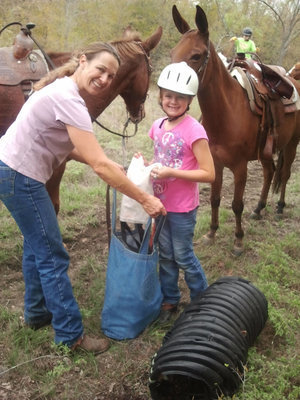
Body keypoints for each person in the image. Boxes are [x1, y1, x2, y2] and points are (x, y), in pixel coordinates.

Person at [0, 42, 166, 353]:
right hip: (21, 176)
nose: (104, 79)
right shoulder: (69, 99)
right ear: (82, 61)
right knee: (52, 254)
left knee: (36, 246)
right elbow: (101, 165)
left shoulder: (62, 87)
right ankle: (70, 336)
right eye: (100, 69)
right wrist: (144, 200)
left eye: (111, 75)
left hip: (11, 170)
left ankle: (37, 314)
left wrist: (96, 159)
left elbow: (67, 144)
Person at [140, 62, 215, 324]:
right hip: (159, 204)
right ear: (160, 96)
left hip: (182, 208)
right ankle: (170, 300)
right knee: (166, 255)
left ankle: (201, 302)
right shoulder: (158, 125)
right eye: (168, 96)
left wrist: (172, 172)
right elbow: (160, 158)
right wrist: (147, 166)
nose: (173, 101)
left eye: (180, 97)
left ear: (189, 100)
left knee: (183, 255)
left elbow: (209, 173)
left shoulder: (194, 130)